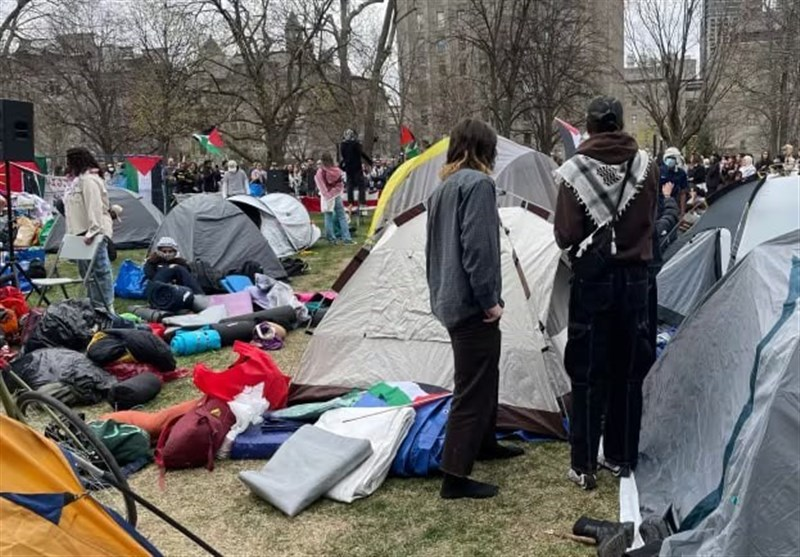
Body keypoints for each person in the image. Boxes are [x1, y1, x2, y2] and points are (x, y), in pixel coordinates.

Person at [553, 96, 657, 490]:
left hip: (594, 279)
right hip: (635, 279)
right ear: (620, 123)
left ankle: (583, 464)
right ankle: (620, 455)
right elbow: (648, 216)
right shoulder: (646, 164)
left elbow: (565, 234)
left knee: (587, 372)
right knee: (627, 372)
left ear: (590, 126)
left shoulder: (574, 169)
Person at [426, 118, 523, 501]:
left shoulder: (443, 188)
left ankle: (485, 442)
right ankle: (455, 475)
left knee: (485, 376)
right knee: (471, 386)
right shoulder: (479, 185)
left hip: (449, 299)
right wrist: (489, 302)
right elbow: (478, 249)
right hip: (471, 304)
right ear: (486, 150)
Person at [63, 147, 115, 309]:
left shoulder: (89, 180)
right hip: (79, 233)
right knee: (87, 275)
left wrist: (93, 231)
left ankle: (106, 308)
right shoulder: (77, 181)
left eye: (69, 161)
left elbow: (95, 206)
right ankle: (94, 307)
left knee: (100, 272)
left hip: (92, 233)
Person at [315, 153, 352, 244]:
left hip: (327, 196)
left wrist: (327, 195)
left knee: (328, 217)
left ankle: (331, 239)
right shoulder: (337, 170)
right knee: (341, 216)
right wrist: (336, 191)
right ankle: (346, 238)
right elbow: (340, 183)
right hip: (337, 194)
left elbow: (321, 185)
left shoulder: (320, 172)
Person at [339, 129, 373, 210]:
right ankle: (362, 202)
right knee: (361, 186)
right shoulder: (356, 144)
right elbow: (361, 153)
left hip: (348, 168)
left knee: (349, 186)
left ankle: (350, 203)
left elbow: (344, 156)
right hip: (357, 168)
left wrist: (343, 166)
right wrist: (369, 161)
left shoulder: (343, 145)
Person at [660, 146, 688, 214]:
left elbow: (683, 193)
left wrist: (682, 211)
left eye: (673, 158)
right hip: (660, 203)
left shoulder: (681, 173)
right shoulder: (659, 171)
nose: (670, 160)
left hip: (674, 203)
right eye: (669, 157)